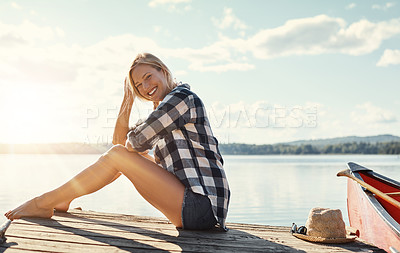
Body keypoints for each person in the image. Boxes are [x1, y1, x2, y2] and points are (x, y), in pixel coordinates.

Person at [4, 53, 230, 231]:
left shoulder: (181, 98)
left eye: (148, 77)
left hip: (201, 208)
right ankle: (63, 199)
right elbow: (119, 144)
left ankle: (45, 201)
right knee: (121, 154)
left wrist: (126, 150)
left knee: (122, 155)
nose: (145, 87)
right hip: (194, 207)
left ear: (162, 70)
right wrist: (128, 98)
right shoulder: (162, 110)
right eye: (138, 85)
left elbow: (132, 143)